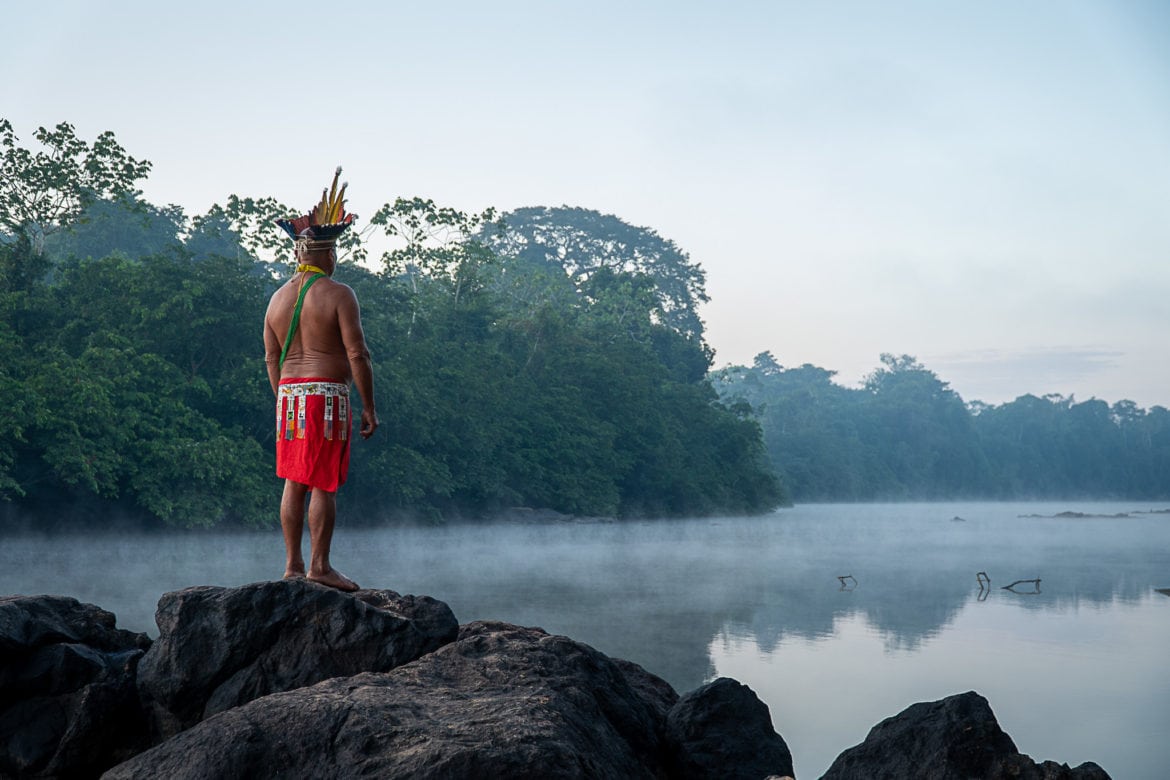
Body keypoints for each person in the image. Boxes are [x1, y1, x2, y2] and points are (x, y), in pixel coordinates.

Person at [264, 169, 377, 592]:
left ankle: (292, 566)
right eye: (334, 254)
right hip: (326, 397)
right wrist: (368, 406)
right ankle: (320, 566)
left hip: (289, 398)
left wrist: (283, 398)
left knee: (295, 479)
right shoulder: (338, 293)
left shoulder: (276, 299)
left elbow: (271, 357)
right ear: (325, 255)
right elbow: (357, 354)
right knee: (323, 482)